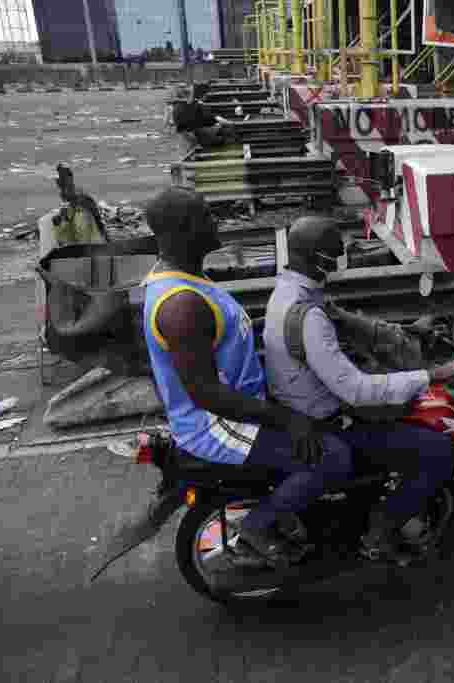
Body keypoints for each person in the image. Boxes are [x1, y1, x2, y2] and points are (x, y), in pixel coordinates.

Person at [141, 188, 345, 570]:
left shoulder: (189, 278)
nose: (215, 220)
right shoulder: (182, 303)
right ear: (184, 230)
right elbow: (206, 393)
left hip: (233, 410)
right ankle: (257, 528)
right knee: (330, 457)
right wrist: (288, 419)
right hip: (215, 425)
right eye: (206, 215)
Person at [263, 214, 454, 565]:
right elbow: (355, 390)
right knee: (437, 449)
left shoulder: (288, 293)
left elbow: (351, 323)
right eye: (335, 254)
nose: (340, 261)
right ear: (318, 258)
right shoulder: (308, 316)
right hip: (329, 419)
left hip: (302, 403)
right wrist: (430, 375)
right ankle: (380, 532)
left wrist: (408, 331)